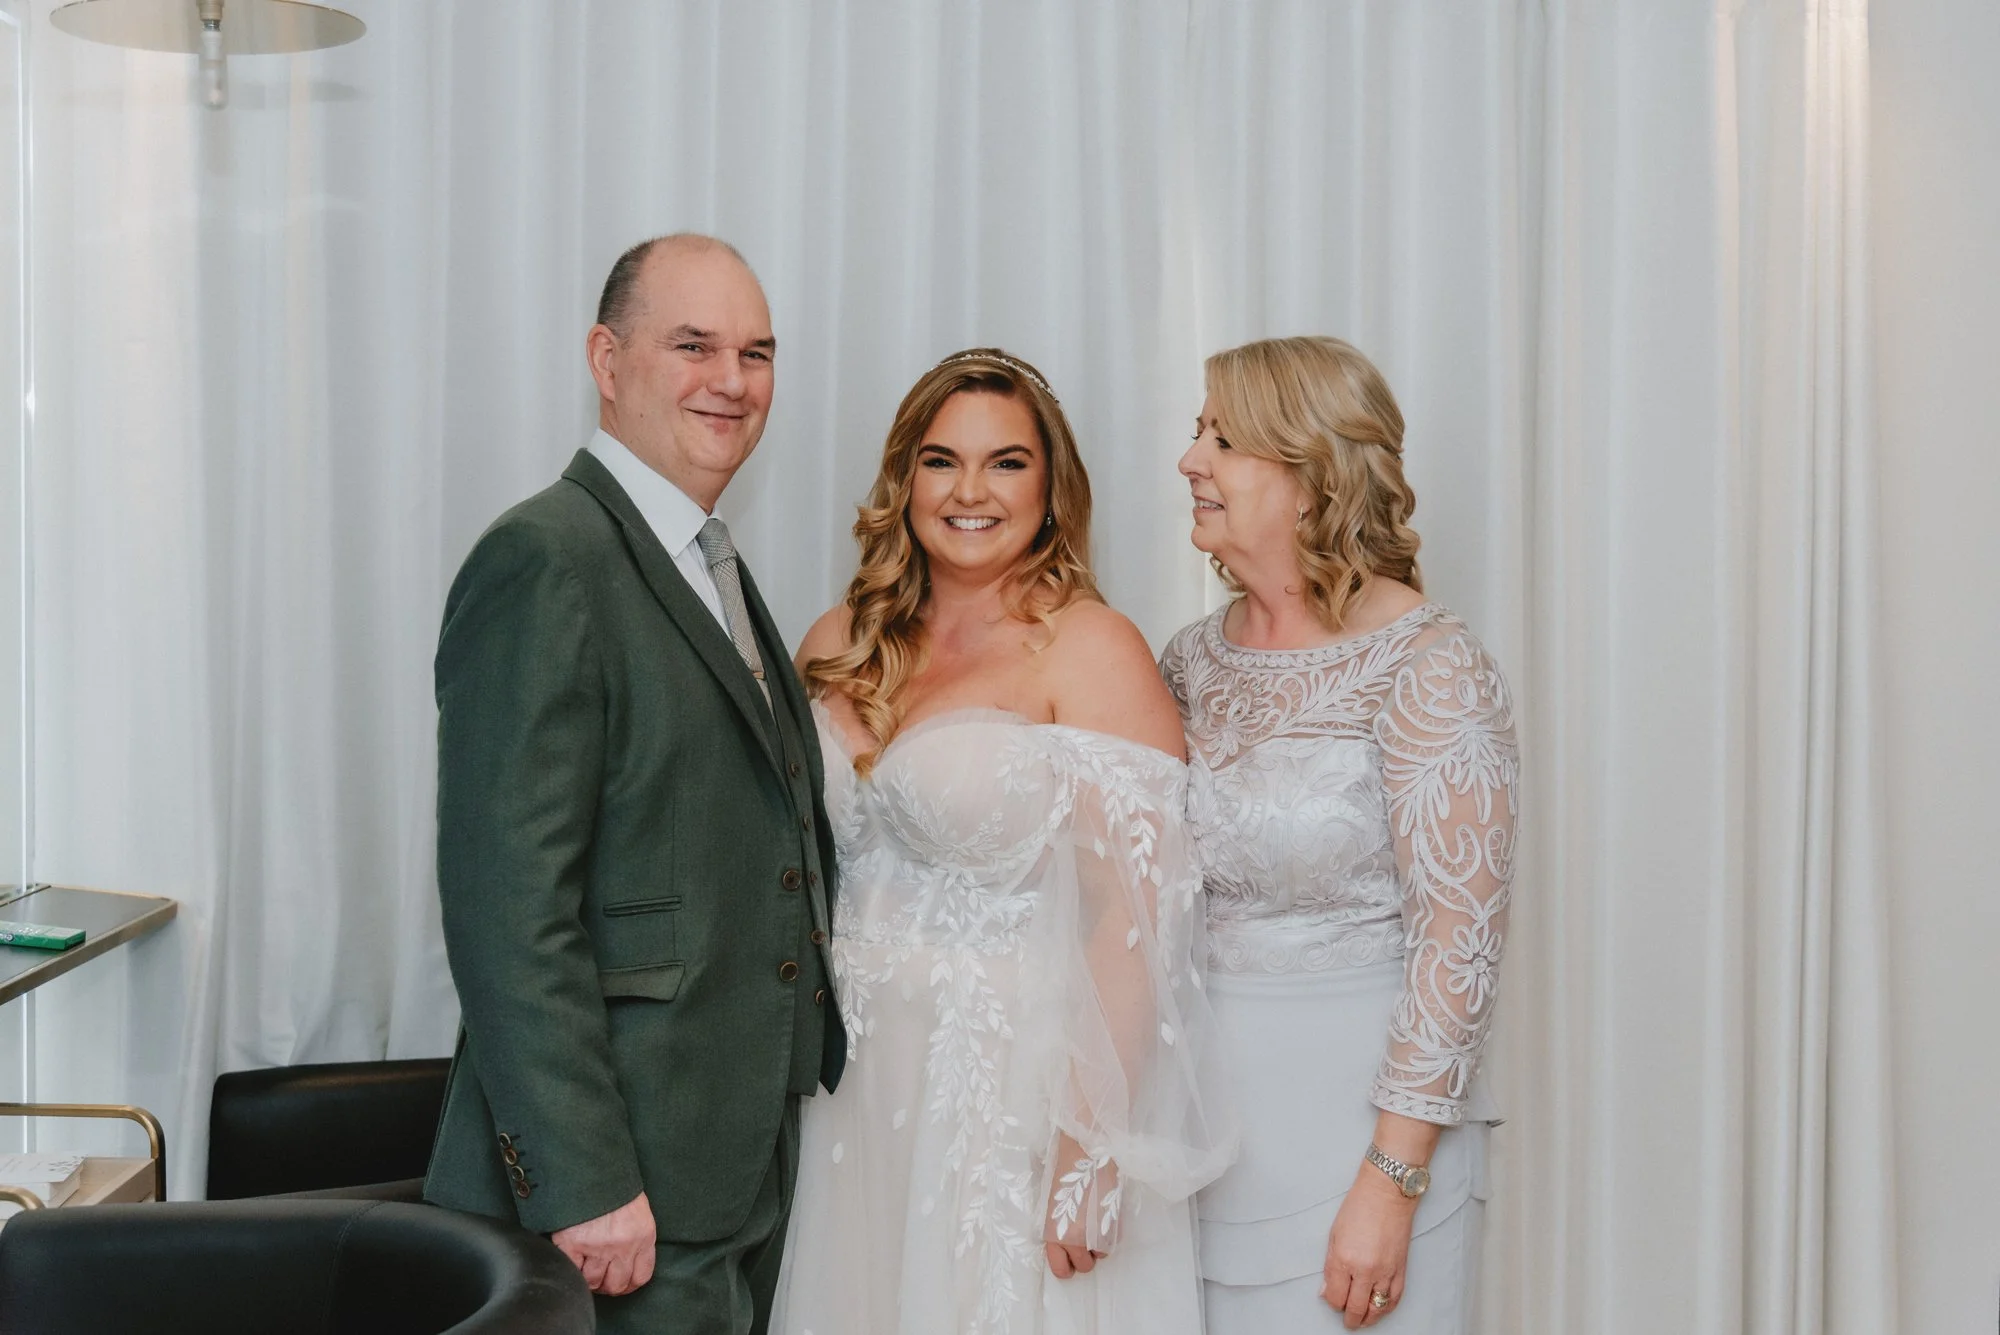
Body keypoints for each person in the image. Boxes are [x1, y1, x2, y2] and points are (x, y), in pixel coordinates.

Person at [424, 233, 845, 1335]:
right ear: (605, 361)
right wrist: (583, 1181)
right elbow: (508, 909)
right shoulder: (546, 559)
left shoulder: (708, 561)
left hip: (725, 1159)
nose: (733, 380)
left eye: (756, 352)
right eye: (693, 345)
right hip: (616, 1192)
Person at [768, 349, 1233, 1334]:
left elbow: (1141, 910)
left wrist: (1092, 1144)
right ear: (905, 479)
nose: (970, 491)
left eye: (1006, 462)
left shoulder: (1086, 644)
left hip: (1007, 1097)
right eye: (941, 461)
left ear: (1050, 484)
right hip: (852, 1091)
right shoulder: (831, 641)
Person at [1160, 336, 1518, 1332]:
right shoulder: (1187, 663)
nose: (1189, 460)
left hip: (1363, 1144)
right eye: (1196, 434)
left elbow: (1458, 944)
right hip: (1204, 1146)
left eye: (1221, 438)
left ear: (1309, 477)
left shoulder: (1429, 667)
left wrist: (1390, 1183)